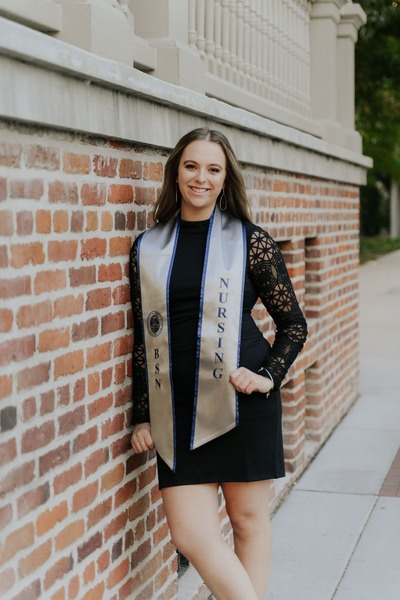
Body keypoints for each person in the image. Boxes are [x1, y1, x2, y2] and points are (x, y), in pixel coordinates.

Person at [130, 128, 307, 600]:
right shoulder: (147, 247)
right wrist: (143, 413)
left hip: (242, 402)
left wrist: (267, 376)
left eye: (213, 169)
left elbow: (293, 324)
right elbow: (143, 340)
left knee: (248, 523)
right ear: (176, 172)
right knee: (191, 537)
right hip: (175, 410)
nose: (200, 178)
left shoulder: (251, 241)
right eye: (191, 166)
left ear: (226, 179)